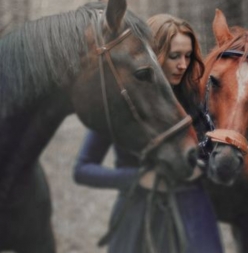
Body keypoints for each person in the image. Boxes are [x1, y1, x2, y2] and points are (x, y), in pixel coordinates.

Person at [73, 13, 223, 253]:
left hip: (194, 214)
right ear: (152, 55)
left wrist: (206, 165)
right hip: (137, 216)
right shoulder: (120, 102)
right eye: (174, 56)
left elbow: (213, 156)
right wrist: (137, 178)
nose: (183, 65)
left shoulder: (196, 100)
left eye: (188, 56)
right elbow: (83, 169)